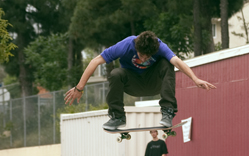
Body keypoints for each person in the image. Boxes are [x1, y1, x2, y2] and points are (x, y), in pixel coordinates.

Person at [64, 31, 215, 131]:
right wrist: (79, 87)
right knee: (116, 73)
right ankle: (118, 117)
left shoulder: (160, 46)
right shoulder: (126, 44)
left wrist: (194, 78)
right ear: (136, 47)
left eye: (147, 56)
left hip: (154, 82)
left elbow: (177, 61)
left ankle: (167, 112)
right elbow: (95, 61)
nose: (143, 59)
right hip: (132, 83)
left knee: (167, 63)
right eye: (141, 55)